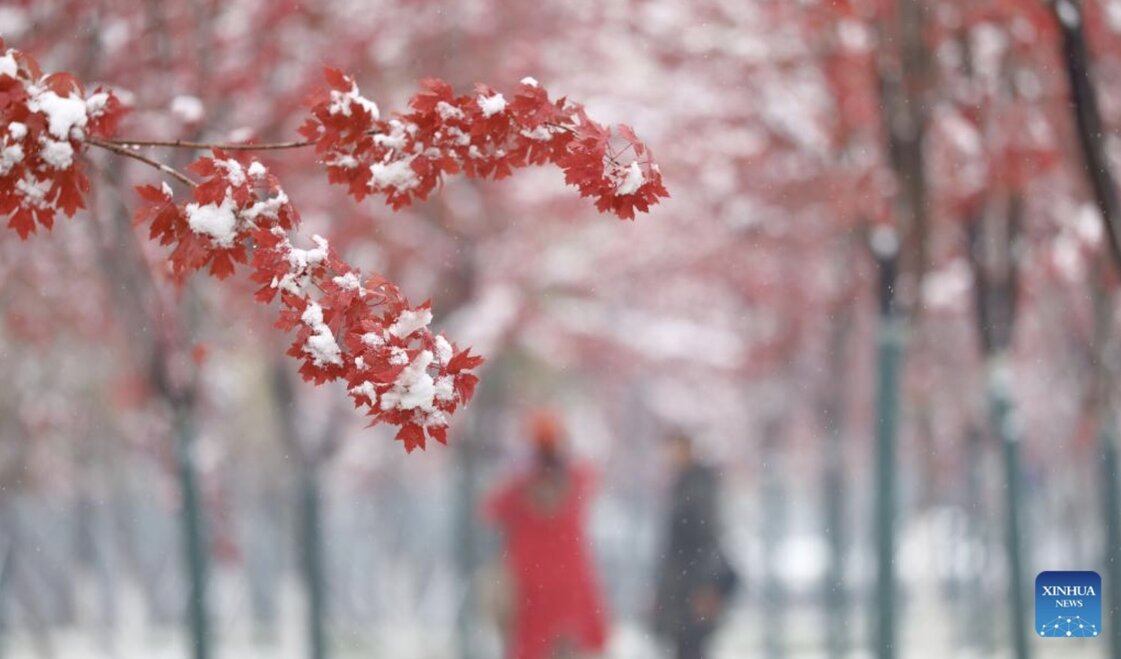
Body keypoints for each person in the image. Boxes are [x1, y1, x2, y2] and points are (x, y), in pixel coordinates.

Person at [484, 409, 609, 659]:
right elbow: (591, 474)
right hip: (571, 582)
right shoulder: (577, 480)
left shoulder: (519, 488)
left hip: (530, 585)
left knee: (530, 648)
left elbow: (490, 509)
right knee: (572, 646)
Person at [652, 431, 738, 659]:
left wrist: (704, 586)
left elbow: (706, 538)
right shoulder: (686, 485)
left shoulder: (697, 487)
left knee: (691, 648)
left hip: (692, 590)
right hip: (684, 589)